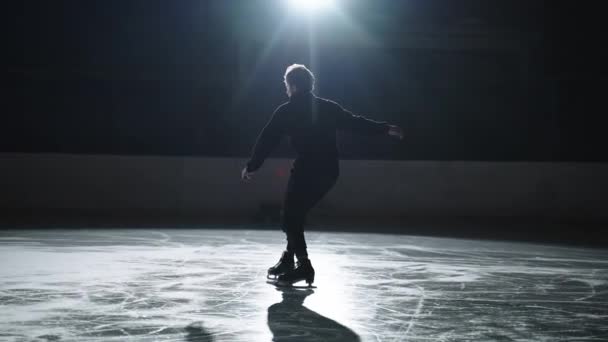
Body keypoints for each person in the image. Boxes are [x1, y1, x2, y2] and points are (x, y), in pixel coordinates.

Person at [241, 64, 403, 286]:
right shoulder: (327, 107)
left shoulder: (287, 111)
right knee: (293, 217)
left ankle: (304, 266)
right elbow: (354, 122)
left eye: (287, 85)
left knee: (290, 217)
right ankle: (289, 259)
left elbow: (267, 139)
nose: (286, 89)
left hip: (307, 169)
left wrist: (252, 166)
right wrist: (384, 128)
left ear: (294, 85)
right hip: (328, 171)